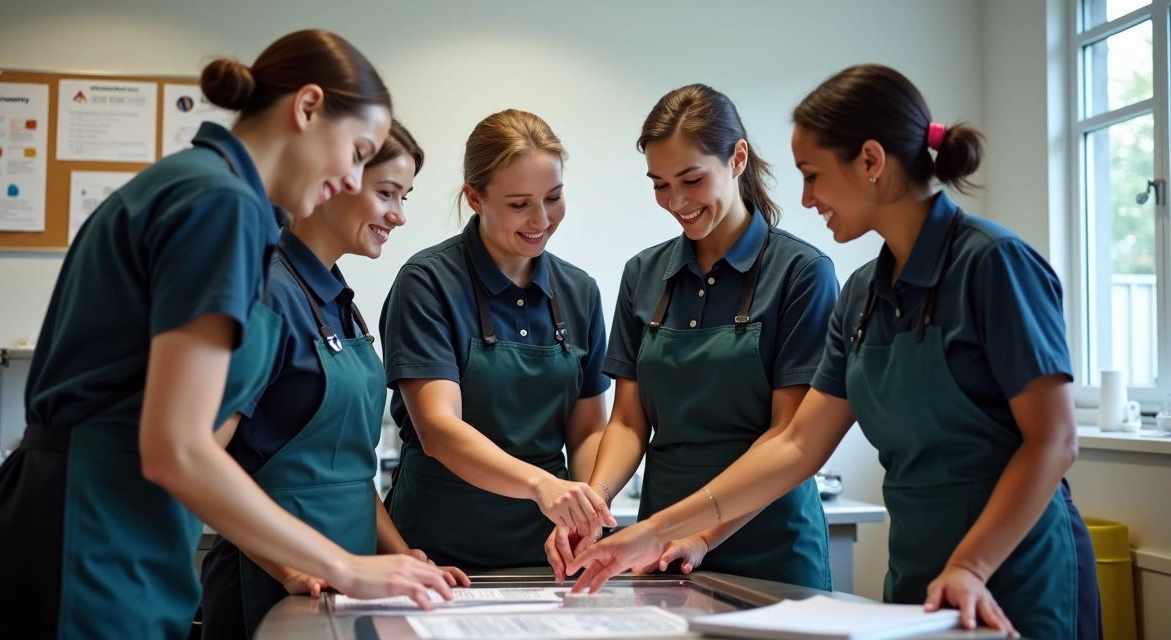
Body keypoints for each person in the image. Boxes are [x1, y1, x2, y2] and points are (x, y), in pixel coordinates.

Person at [568, 64, 1101, 640]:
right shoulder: (864, 293)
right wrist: (658, 530)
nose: (804, 196)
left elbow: (1055, 439)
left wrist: (971, 565)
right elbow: (799, 444)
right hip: (921, 568)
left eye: (813, 174)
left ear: (871, 162)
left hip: (1014, 568)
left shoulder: (993, 263)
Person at [0, 30, 452, 640]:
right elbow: (179, 447)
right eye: (357, 153)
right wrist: (343, 565)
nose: (353, 179)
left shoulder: (211, 190)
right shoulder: (219, 203)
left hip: (111, 522)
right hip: (90, 527)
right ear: (306, 108)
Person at [545, 84, 835, 590]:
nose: (675, 201)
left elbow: (787, 438)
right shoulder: (644, 274)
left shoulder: (802, 273)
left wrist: (703, 536)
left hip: (770, 544)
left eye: (692, 179)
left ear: (737, 158)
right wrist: (594, 506)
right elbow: (630, 421)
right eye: (659, 184)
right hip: (662, 552)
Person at [199, 121, 469, 639]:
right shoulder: (268, 294)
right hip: (273, 583)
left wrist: (403, 557)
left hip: (347, 579)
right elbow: (201, 462)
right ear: (334, 182)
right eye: (386, 193)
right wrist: (289, 568)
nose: (399, 215)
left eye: (404, 196)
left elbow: (345, 476)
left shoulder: (337, 301)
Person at [380, 109, 616, 569]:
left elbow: (588, 429)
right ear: (475, 197)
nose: (541, 219)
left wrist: (584, 516)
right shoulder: (427, 283)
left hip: (548, 554)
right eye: (519, 203)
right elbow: (439, 431)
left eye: (554, 197)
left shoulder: (579, 291)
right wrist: (539, 485)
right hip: (437, 553)